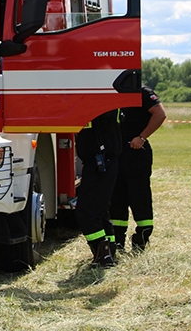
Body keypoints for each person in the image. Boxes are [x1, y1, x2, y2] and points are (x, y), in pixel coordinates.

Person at [110, 85, 166, 252]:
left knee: (139, 197)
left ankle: (141, 239)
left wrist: (142, 137)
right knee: (117, 198)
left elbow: (160, 114)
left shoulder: (142, 92)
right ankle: (117, 241)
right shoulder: (112, 92)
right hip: (117, 152)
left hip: (136, 151)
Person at [75, 109, 122, 267]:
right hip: (99, 162)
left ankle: (103, 254)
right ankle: (108, 251)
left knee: (87, 212)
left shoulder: (100, 107)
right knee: (100, 211)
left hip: (101, 163)